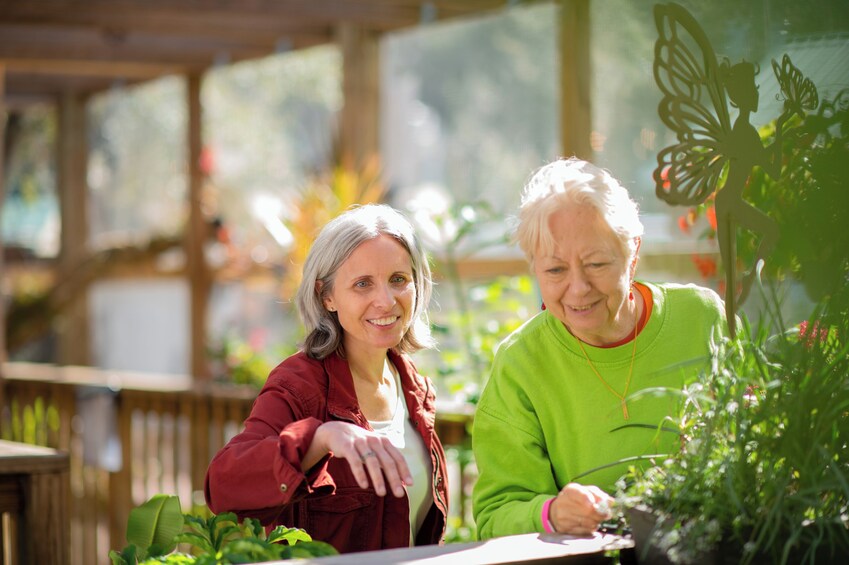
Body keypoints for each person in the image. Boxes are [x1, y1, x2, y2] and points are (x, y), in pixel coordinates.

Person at [472, 157, 726, 539]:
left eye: (596, 264)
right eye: (555, 270)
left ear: (632, 253)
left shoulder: (701, 318)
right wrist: (552, 514)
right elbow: (495, 516)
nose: (578, 288)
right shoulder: (521, 362)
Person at [205, 204, 448, 553]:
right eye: (363, 284)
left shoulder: (415, 389)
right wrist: (319, 438)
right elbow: (223, 485)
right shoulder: (300, 384)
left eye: (398, 279)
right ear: (327, 296)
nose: (386, 300)